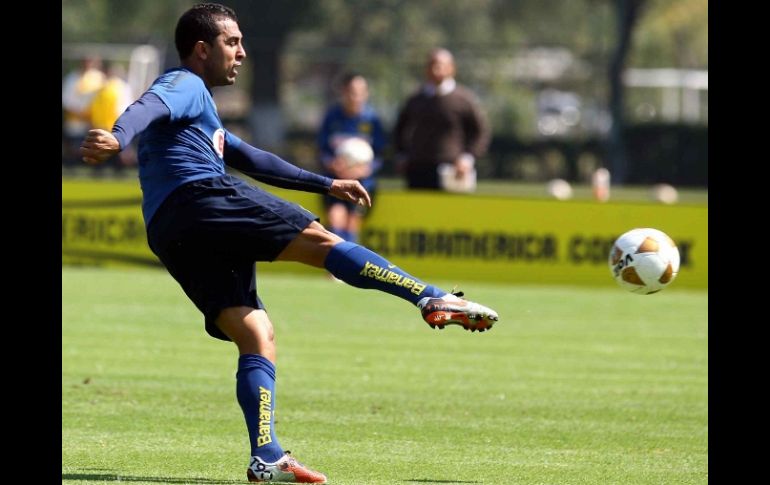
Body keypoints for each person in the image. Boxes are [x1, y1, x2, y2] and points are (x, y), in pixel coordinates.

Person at [81, 4, 498, 484]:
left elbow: (252, 158)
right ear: (202, 49)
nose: (241, 52)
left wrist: (327, 183)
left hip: (170, 230)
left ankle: (267, 456)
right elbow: (147, 104)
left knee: (257, 335)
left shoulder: (201, 112)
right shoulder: (186, 83)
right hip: (201, 199)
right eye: (232, 42)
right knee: (323, 241)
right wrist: (116, 137)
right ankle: (426, 295)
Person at [393, 48, 491, 190]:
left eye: (441, 65)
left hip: (452, 170)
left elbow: (480, 131)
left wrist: (467, 158)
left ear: (452, 68)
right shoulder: (416, 99)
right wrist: (401, 155)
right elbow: (400, 128)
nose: (436, 69)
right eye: (432, 64)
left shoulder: (463, 99)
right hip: (418, 169)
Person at [317, 73, 385, 244]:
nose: (354, 96)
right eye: (350, 91)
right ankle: (333, 267)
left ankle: (346, 266)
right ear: (343, 92)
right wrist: (332, 164)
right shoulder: (332, 117)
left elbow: (381, 155)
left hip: (363, 183)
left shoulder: (372, 120)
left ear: (366, 93)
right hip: (336, 182)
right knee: (335, 219)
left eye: (358, 91)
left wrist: (365, 169)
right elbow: (322, 150)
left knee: (352, 223)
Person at [62, 56, 106, 166]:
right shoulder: (72, 78)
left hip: (95, 120)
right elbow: (66, 100)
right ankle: (71, 168)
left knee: (95, 145)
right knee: (74, 146)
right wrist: (79, 113)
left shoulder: (99, 77)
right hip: (76, 119)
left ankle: (96, 169)